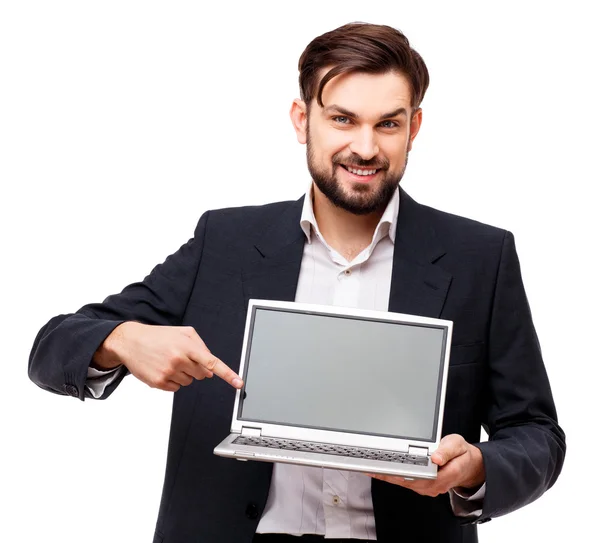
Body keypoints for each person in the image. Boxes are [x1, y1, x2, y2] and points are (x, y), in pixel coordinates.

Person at [28, 22, 565, 543]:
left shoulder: (480, 257)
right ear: (302, 119)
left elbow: (538, 435)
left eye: (387, 124)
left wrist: (475, 468)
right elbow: (53, 347)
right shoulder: (225, 242)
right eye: (342, 119)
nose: (365, 148)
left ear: (414, 128)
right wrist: (121, 340)